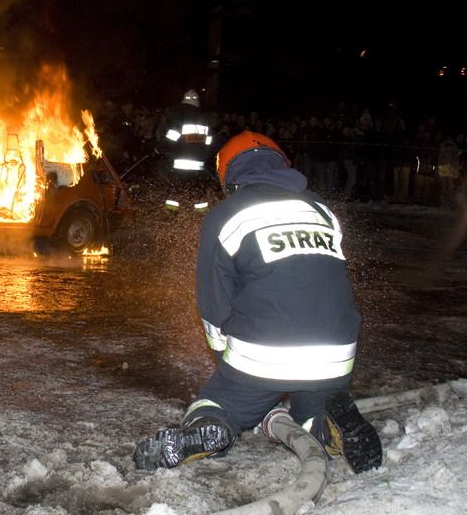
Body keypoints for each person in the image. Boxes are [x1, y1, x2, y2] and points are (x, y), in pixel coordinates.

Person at [134, 130, 382, 474]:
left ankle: (212, 427)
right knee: (309, 416)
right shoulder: (321, 209)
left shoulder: (227, 214)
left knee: (216, 403)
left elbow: (214, 302)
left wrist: (226, 357)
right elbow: (323, 281)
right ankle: (326, 423)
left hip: (263, 357)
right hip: (336, 354)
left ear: (229, 175)